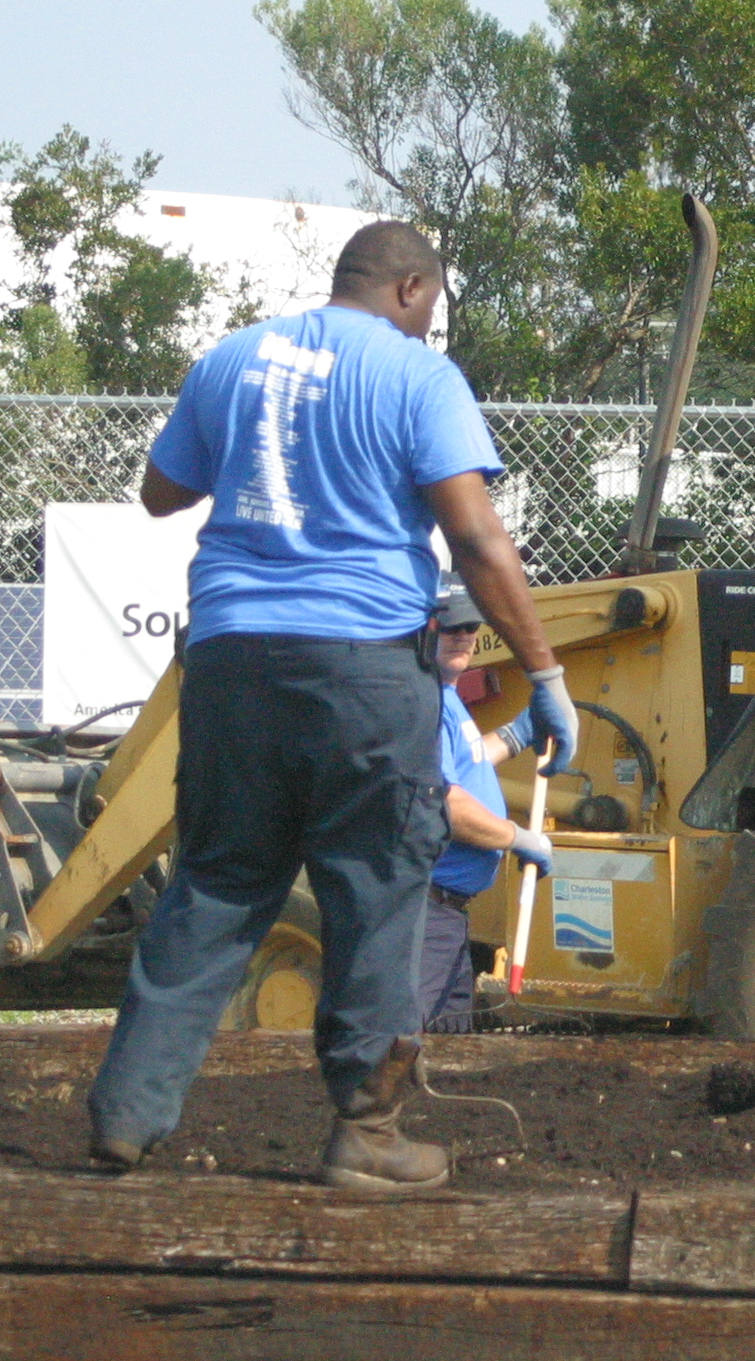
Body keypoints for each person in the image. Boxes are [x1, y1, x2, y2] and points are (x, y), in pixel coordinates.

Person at [85, 220, 580, 1195]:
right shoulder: (415, 375)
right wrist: (546, 673)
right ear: (408, 288)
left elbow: (159, 491)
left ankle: (127, 1113)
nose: (431, 321)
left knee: (221, 878)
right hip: (361, 665)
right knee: (377, 882)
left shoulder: (231, 356)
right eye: (431, 303)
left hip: (229, 657)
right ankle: (367, 1131)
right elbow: (475, 535)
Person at [416, 577, 553, 1035]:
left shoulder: (448, 698)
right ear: (423, 628)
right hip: (423, 910)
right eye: (451, 626)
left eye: (471, 626)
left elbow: (465, 763)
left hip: (447, 914)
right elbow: (445, 805)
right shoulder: (426, 702)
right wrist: (518, 837)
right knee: (399, 1039)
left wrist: (518, 734)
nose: (463, 636)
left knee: (449, 1043)